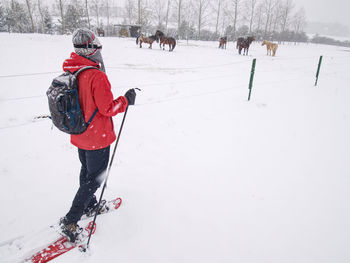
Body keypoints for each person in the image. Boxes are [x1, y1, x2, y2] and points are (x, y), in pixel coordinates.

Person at [59, 28, 136, 242]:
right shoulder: (96, 75)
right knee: (95, 178)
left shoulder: (72, 70)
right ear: (91, 49)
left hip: (80, 135)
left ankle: (90, 204)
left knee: (86, 172)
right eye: (97, 46)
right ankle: (71, 220)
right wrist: (125, 100)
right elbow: (107, 108)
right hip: (97, 138)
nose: (99, 49)